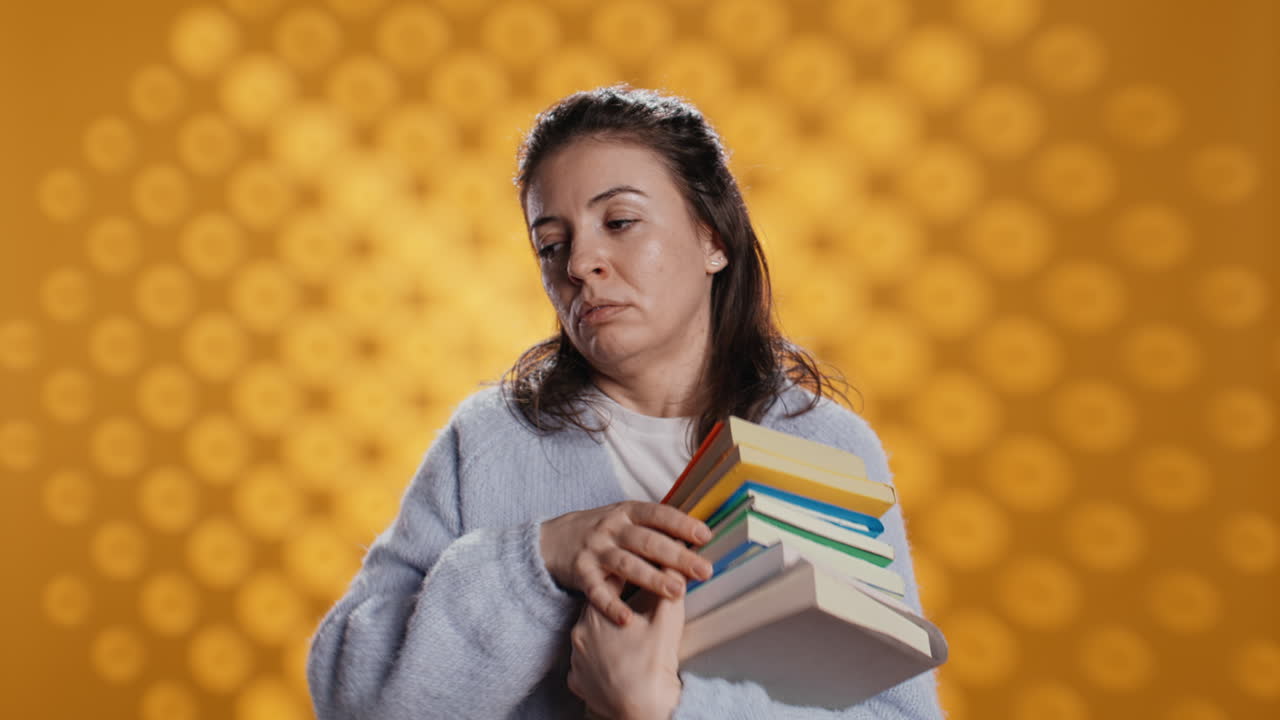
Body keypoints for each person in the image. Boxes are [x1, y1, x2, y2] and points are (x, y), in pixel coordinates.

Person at [306, 84, 944, 720]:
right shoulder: (488, 444)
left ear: (713, 238)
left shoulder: (826, 446)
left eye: (620, 222)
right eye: (551, 245)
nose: (581, 263)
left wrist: (667, 708)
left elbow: (898, 714)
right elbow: (354, 700)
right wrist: (538, 558)